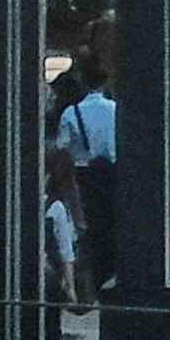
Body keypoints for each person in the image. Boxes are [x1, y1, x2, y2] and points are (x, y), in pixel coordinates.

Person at [56, 71, 121, 294]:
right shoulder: (115, 110)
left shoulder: (70, 114)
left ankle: (92, 282)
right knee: (112, 225)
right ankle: (111, 274)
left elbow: (62, 151)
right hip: (113, 175)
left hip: (84, 177)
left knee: (89, 230)